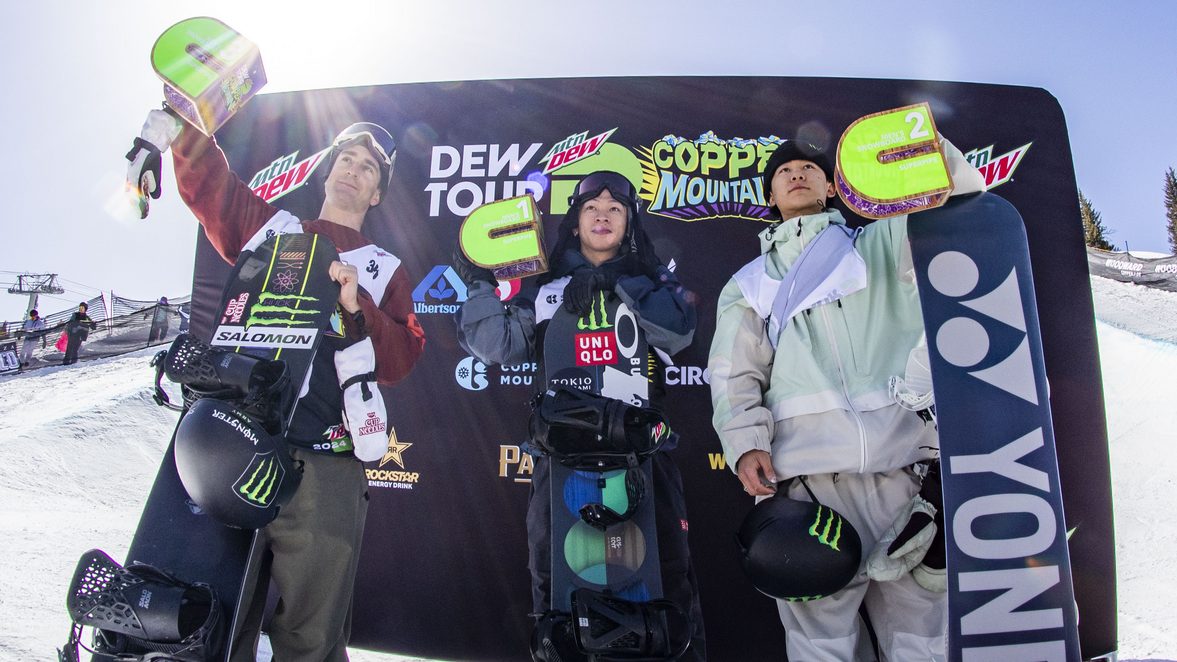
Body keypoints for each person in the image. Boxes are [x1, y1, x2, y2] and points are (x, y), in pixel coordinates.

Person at [132, 108, 426, 661]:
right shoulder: (275, 229)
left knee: (310, 639)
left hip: (325, 465)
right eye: (346, 159)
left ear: (378, 192)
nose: (353, 171)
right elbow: (212, 187)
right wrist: (176, 125)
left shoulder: (384, 267)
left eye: (368, 168)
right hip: (235, 445)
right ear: (327, 168)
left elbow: (403, 356)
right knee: (213, 620)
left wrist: (354, 303)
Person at [707, 136, 984, 660]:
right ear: (770, 193)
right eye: (783, 170)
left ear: (831, 185)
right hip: (807, 495)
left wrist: (927, 144)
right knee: (822, 647)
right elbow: (732, 373)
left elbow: (960, 208)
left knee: (923, 642)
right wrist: (744, 443)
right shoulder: (749, 283)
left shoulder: (880, 244)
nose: (795, 174)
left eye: (808, 167)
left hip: (902, 480)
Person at [455, 170, 706, 660]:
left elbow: (678, 333)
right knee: (561, 591)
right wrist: (482, 284)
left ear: (629, 223)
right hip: (563, 464)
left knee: (663, 588)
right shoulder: (548, 289)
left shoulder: (653, 278)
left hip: (641, 462)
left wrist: (621, 280)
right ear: (574, 221)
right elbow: (495, 344)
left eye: (616, 209)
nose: (604, 216)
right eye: (593, 208)